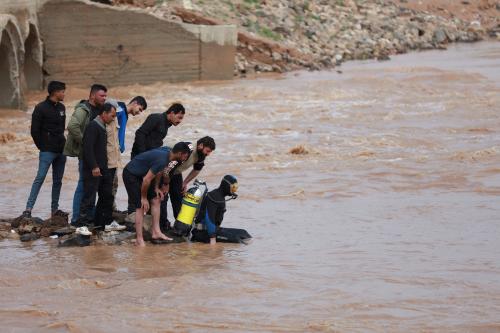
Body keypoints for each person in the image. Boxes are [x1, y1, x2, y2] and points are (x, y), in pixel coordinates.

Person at [122, 142, 191, 246]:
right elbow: (146, 180)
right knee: (140, 206)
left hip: (142, 175)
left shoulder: (169, 155)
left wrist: (156, 188)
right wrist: (144, 198)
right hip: (131, 174)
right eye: (185, 156)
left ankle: (156, 232)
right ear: (180, 154)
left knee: (156, 199)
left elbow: (159, 172)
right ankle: (139, 239)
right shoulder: (163, 159)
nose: (185, 159)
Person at [129, 102, 185, 219]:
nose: (180, 121)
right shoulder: (156, 118)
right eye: (179, 117)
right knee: (137, 184)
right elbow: (140, 133)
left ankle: (148, 215)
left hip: (150, 159)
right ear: (171, 113)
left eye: (182, 119)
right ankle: (132, 214)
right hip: (141, 157)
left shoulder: (166, 124)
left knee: (150, 186)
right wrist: (143, 154)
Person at [22, 81, 67, 218]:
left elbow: (62, 128)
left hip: (61, 150)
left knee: (58, 181)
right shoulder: (40, 108)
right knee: (40, 178)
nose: (64, 94)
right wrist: (42, 146)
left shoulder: (62, 107)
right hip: (47, 150)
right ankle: (28, 209)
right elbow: (34, 131)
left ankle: (54, 210)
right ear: (55, 92)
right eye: (63, 91)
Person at [64, 84, 107, 224]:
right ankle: (77, 217)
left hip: (94, 154)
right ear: (92, 95)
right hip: (85, 153)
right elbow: (72, 126)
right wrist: (85, 141)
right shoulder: (83, 110)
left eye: (105, 96)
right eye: (102, 95)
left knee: (91, 186)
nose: (104, 98)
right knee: (83, 184)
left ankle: (89, 216)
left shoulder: (100, 109)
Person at [73, 102, 117, 229]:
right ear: (104, 114)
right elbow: (88, 148)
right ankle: (83, 224)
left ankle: (104, 223)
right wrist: (94, 166)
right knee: (89, 197)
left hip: (104, 168)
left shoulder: (102, 126)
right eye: (112, 116)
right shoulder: (93, 126)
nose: (113, 119)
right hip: (93, 169)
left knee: (107, 195)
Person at [165, 136, 215, 226]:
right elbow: (170, 165)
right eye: (208, 151)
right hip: (165, 169)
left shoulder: (201, 155)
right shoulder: (188, 149)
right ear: (201, 145)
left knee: (178, 198)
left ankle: (180, 225)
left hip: (176, 172)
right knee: (163, 197)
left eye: (210, 152)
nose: (208, 154)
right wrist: (166, 183)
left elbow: (197, 170)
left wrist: (185, 182)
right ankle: (162, 224)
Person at [110, 96, 148, 213]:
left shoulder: (124, 114)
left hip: (115, 153)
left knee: (113, 183)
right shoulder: (120, 109)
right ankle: (110, 210)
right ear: (135, 103)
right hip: (110, 153)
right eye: (140, 109)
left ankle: (112, 208)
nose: (139, 113)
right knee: (111, 183)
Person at [191, 175, 251, 244]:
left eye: (235, 188)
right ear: (226, 186)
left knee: (244, 234)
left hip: (213, 230)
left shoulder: (220, 197)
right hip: (201, 233)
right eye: (233, 188)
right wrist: (212, 238)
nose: (234, 191)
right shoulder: (213, 196)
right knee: (236, 240)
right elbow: (209, 218)